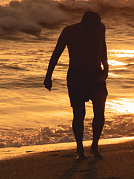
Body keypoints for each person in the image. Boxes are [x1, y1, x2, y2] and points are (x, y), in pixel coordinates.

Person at [44, 11, 109, 159]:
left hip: (95, 74)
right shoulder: (69, 31)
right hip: (76, 76)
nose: (93, 30)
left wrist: (106, 65)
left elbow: (102, 45)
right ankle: (80, 149)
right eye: (91, 27)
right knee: (79, 114)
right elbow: (56, 53)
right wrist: (48, 76)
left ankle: (94, 146)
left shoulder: (100, 28)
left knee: (99, 108)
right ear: (83, 23)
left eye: (96, 27)